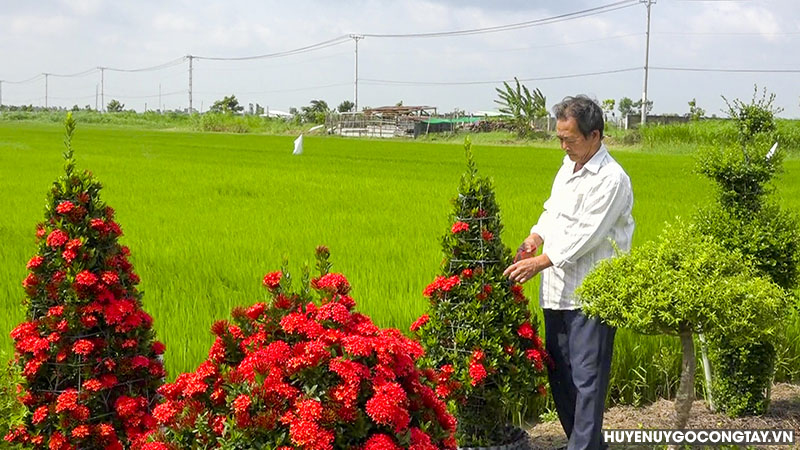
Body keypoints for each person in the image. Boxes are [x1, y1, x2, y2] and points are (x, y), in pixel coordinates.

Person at [503, 95, 634, 450]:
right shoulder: (567, 167)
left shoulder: (611, 179)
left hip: (592, 294)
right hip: (558, 292)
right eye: (559, 138)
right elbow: (552, 212)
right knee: (561, 375)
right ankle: (583, 443)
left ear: (595, 136)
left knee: (587, 379)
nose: (563, 146)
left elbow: (586, 235)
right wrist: (535, 236)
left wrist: (539, 261)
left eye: (570, 139)